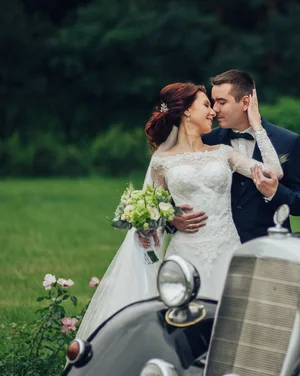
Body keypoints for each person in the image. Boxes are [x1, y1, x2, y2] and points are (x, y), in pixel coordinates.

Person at [77, 82, 282, 339]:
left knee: (232, 328)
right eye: (206, 105)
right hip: (185, 257)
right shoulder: (162, 162)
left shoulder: (224, 153)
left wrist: (258, 125)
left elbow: (274, 172)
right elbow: (148, 212)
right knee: (184, 330)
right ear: (186, 111)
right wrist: (169, 216)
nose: (213, 112)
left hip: (227, 250)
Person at [169, 70, 300, 242]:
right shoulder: (205, 141)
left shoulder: (287, 142)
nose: (215, 110)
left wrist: (276, 192)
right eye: (213, 102)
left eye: (221, 102)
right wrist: (172, 219)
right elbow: (177, 188)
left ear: (245, 102)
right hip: (214, 247)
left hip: (267, 248)